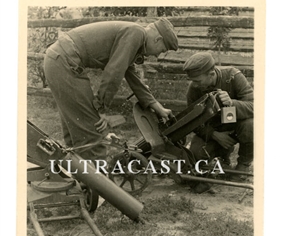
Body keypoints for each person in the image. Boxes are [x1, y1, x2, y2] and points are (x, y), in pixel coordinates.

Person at [44, 18, 178, 160]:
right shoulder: (136, 33)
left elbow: (131, 74)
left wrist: (156, 106)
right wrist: (100, 108)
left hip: (56, 60)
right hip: (64, 63)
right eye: (162, 50)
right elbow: (114, 72)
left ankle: (80, 177)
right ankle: (93, 180)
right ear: (157, 39)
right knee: (93, 134)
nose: (157, 55)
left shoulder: (134, 34)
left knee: (77, 132)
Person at [183, 52, 253, 192]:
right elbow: (193, 122)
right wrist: (214, 135)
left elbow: (254, 105)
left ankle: (243, 164)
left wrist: (232, 103)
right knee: (195, 156)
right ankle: (223, 159)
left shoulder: (233, 77)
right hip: (214, 131)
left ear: (211, 74)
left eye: (197, 81)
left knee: (251, 125)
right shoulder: (194, 89)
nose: (195, 85)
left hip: (236, 128)